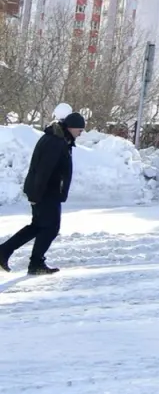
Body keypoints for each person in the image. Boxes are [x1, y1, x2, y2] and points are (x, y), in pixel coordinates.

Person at [2, 110, 85, 275]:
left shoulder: (59, 138)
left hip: (46, 191)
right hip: (46, 192)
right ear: (71, 127)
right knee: (51, 228)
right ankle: (36, 263)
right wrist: (36, 195)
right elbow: (43, 170)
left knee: (38, 226)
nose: (80, 133)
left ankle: (4, 252)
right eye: (79, 130)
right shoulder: (56, 142)